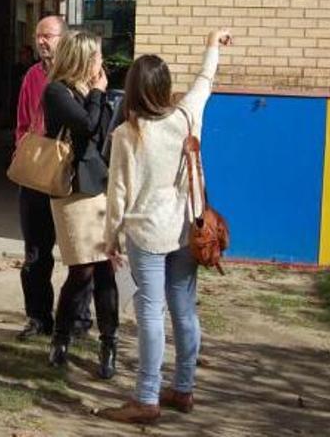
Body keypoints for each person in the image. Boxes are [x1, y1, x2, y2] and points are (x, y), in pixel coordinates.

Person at [99, 29, 232, 424]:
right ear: (166, 85)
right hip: (187, 232)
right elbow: (205, 81)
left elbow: (118, 193)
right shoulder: (188, 114)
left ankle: (146, 397)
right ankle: (184, 389)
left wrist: (110, 239)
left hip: (147, 235)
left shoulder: (126, 133)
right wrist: (211, 44)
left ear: (133, 90)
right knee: (184, 310)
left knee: (151, 314)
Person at [13, 15, 94, 341]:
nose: (41, 42)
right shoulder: (32, 76)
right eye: (38, 36)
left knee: (81, 251)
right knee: (35, 253)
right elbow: (21, 122)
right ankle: (38, 317)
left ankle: (78, 320)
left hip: (74, 177)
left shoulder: (83, 76)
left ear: (65, 38)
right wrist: (26, 155)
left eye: (48, 35)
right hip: (37, 175)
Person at [44, 30, 119, 379]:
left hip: (101, 187)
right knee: (81, 269)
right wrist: (99, 95)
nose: (102, 62)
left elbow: (104, 135)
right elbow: (86, 126)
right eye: (98, 56)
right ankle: (60, 338)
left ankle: (109, 343)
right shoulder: (57, 91)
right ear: (84, 58)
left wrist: (102, 98)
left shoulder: (95, 92)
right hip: (73, 191)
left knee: (105, 268)